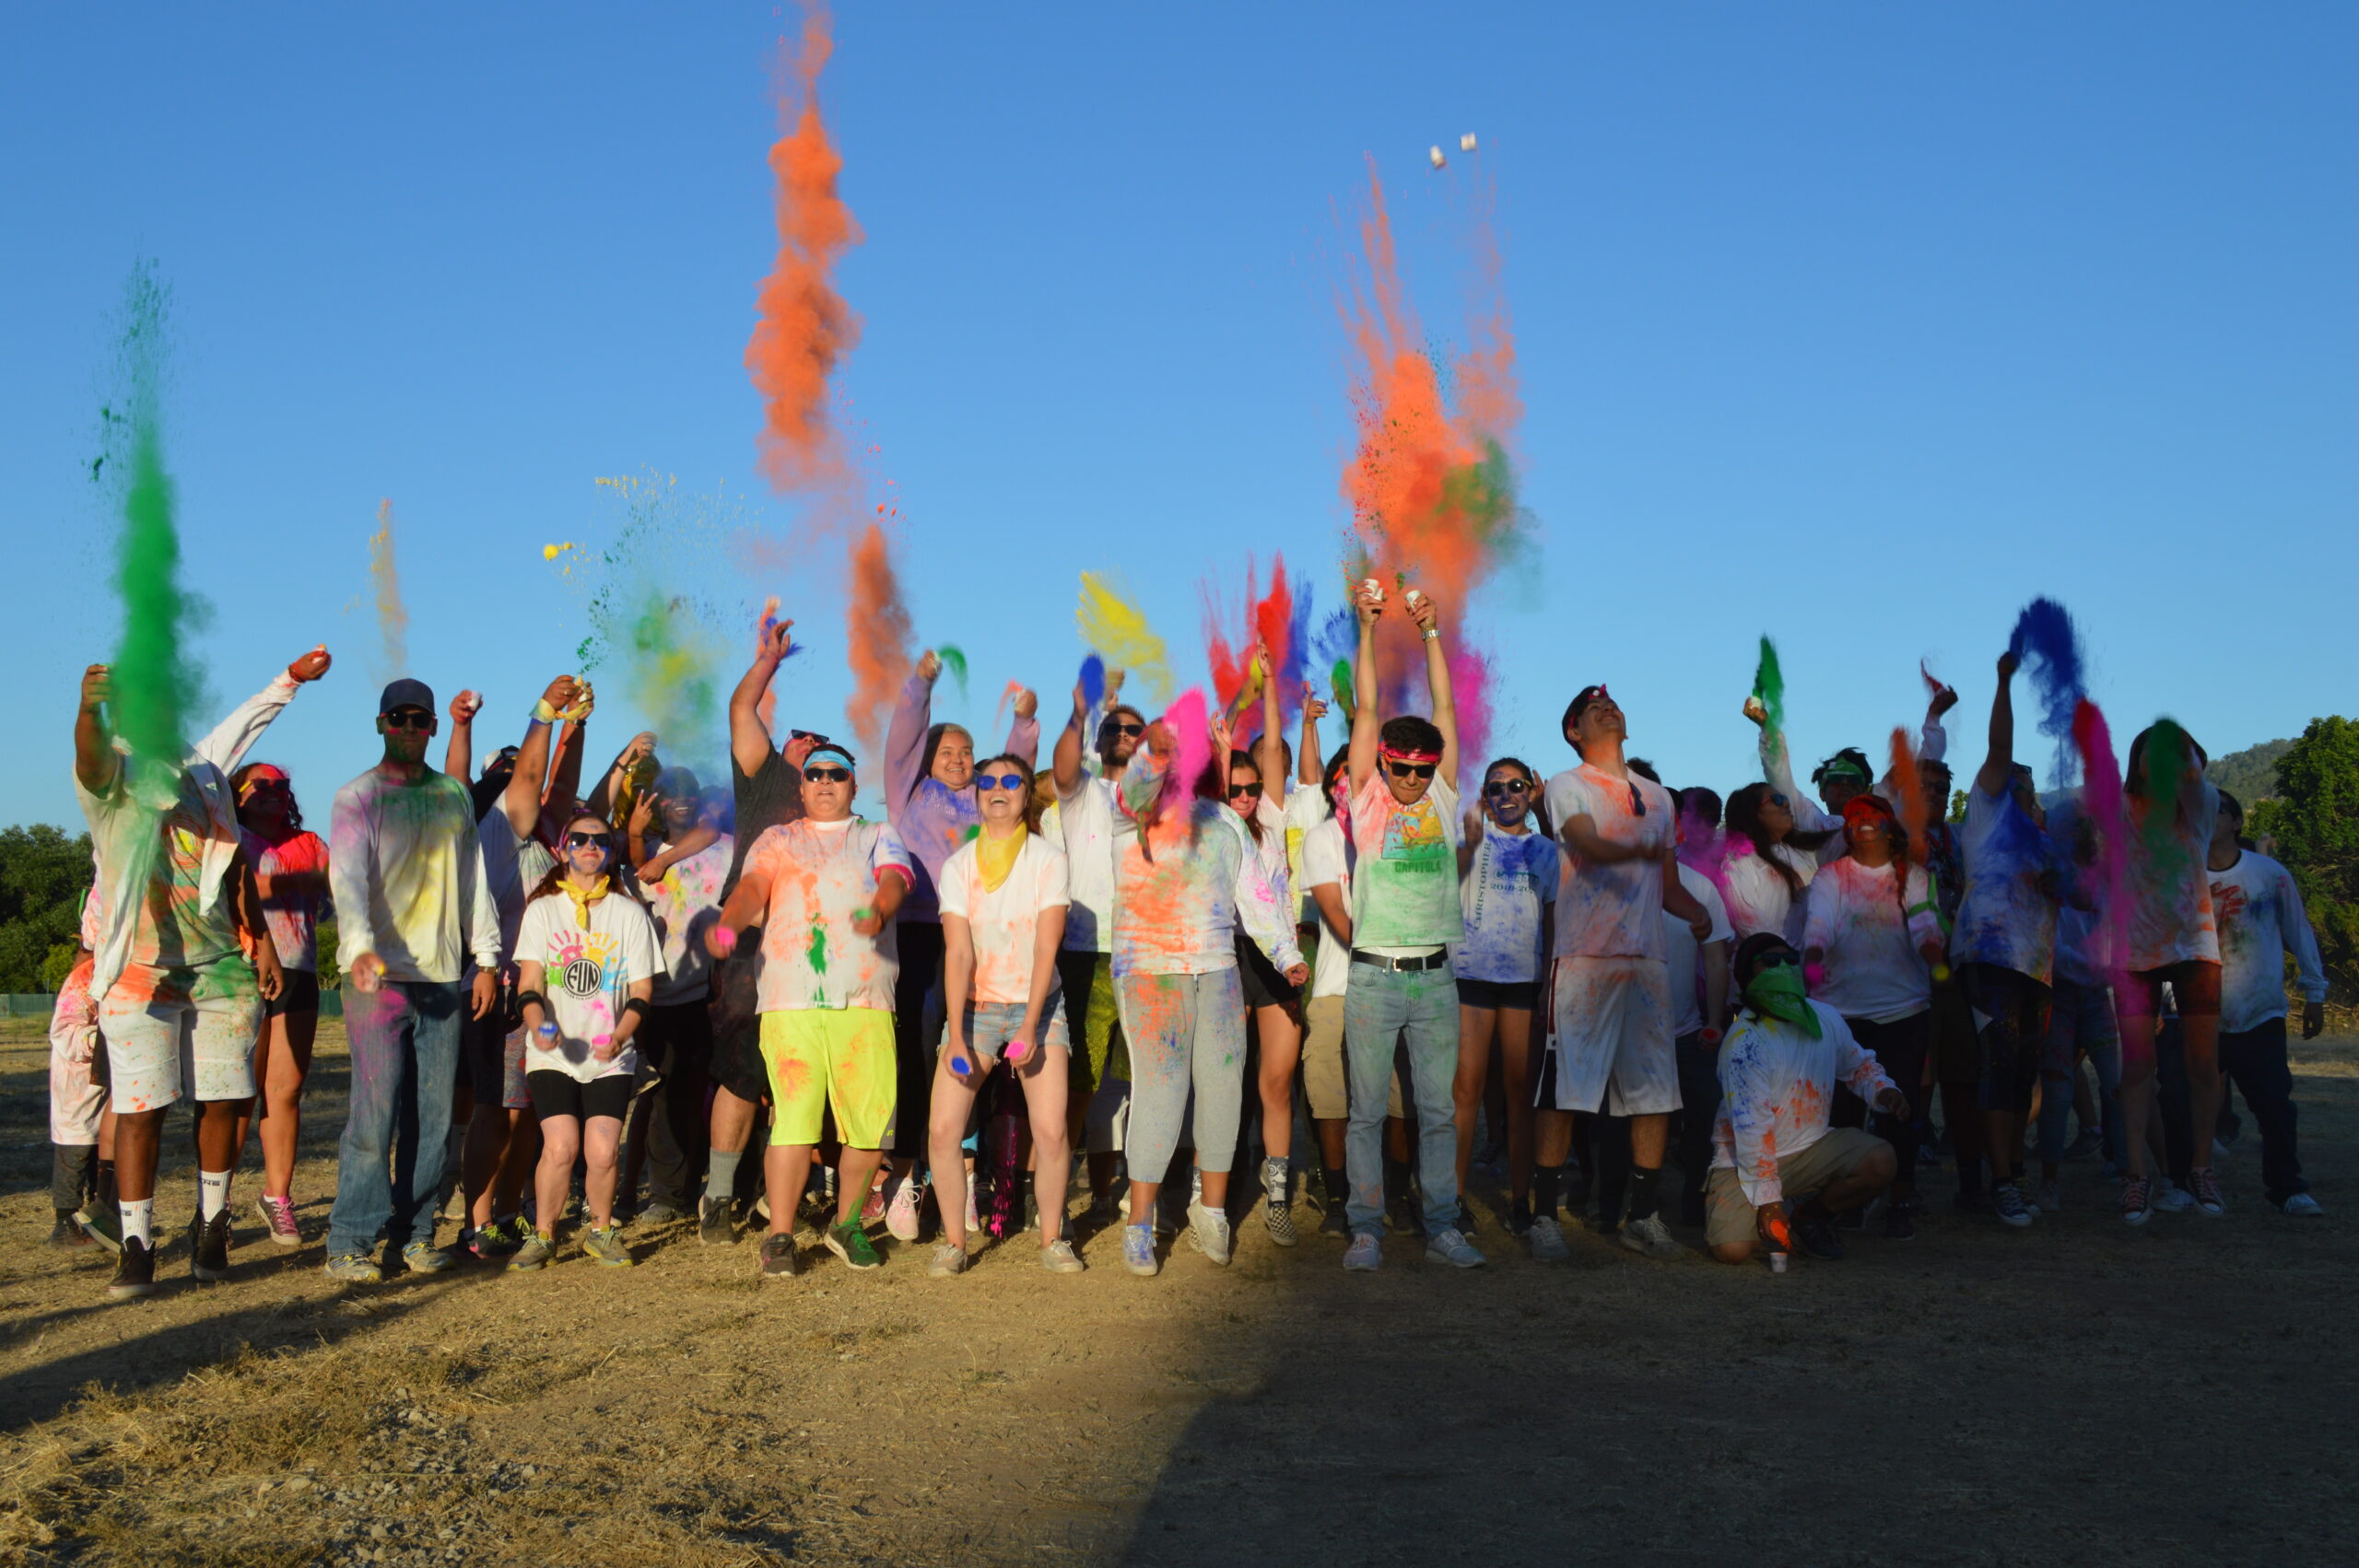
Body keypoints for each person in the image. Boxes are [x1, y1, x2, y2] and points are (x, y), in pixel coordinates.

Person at [73, 650, 323, 1300]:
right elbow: (91, 762)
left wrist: (289, 681)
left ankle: (212, 1226)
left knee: (226, 1098)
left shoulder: (205, 770)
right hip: (139, 970)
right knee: (141, 1110)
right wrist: (87, 712)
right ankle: (137, 1246)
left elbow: (235, 853)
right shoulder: (118, 774)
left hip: (218, 969)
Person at [1110, 706, 1307, 1278]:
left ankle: (1212, 1211)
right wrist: (1164, 736)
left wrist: (1288, 956)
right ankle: (1140, 1223)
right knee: (1162, 1091)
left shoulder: (1224, 824)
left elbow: (1258, 897)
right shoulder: (1135, 811)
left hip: (1218, 970)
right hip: (1151, 973)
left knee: (1223, 1089)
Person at [706, 741, 913, 1277]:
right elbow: (754, 885)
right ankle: (779, 1235)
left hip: (866, 1002)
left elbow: (897, 877)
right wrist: (731, 921)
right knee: (793, 1123)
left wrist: (881, 907)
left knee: (868, 1129)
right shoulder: (778, 838)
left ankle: (846, 1226)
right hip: (789, 1000)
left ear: (852, 785)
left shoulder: (877, 834)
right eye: (814, 773)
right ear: (800, 787)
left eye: (837, 774)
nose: (825, 781)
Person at [323, 677, 503, 1282]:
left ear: (430, 727)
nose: (409, 728)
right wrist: (357, 949)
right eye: (398, 718)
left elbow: (473, 878)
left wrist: (485, 957)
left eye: (420, 720)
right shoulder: (358, 797)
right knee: (373, 1115)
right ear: (380, 724)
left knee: (432, 1118)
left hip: (443, 978)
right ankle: (350, 1240)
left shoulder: (452, 795)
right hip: (379, 982)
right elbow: (347, 880)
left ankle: (417, 1234)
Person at [1334, 582, 1487, 1271]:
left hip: (1435, 978)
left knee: (1438, 1111)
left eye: (1424, 772)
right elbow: (1367, 707)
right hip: (1372, 975)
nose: (1412, 782)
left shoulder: (1443, 793)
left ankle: (1443, 1227)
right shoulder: (1367, 795)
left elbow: (1446, 708)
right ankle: (1366, 1228)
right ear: (1381, 765)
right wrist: (1367, 629)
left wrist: (1431, 631)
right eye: (1400, 769)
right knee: (1366, 1111)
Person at [1535, 684, 1714, 1262]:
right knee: (1566, 1093)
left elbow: (1667, 886)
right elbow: (1584, 841)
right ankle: (1542, 1218)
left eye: (1612, 705)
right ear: (1574, 733)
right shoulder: (1569, 784)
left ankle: (1643, 1216)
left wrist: (1696, 912)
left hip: (1647, 963)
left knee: (1655, 1096)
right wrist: (1625, 850)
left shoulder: (1659, 796)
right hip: (1585, 959)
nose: (1607, 710)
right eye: (1592, 709)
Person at [881, 650, 1039, 1238]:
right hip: (921, 939)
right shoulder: (910, 794)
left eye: (966, 753)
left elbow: (1014, 774)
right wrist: (921, 683)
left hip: (977, 942)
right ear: (927, 758)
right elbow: (902, 738)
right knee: (917, 1058)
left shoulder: (982, 797)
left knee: (966, 1055)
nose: (958, 760)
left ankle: (964, 1177)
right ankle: (906, 1179)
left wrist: (1024, 723)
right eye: (947, 751)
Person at [927, 755, 1085, 1274]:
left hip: (1038, 1009)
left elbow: (1046, 947)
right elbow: (958, 954)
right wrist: (955, 1035)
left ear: (1024, 795)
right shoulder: (958, 866)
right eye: (987, 782)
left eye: (1010, 781)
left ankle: (1052, 1240)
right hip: (974, 1011)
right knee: (944, 1130)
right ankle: (954, 1244)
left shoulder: (1047, 859)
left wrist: (1029, 1024)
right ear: (977, 795)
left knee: (1052, 1130)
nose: (997, 789)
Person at [456, 677, 579, 1260]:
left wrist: (576, 726)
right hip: (502, 990)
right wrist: (544, 714)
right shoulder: (493, 832)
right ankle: (477, 1223)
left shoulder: (546, 833)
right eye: (507, 772)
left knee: (530, 1113)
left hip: (550, 995)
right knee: (497, 1112)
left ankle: (508, 1213)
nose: (520, 776)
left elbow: (559, 787)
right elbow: (533, 779)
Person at [507, 812, 663, 1270]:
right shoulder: (542, 911)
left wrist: (618, 1037)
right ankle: (544, 1235)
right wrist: (539, 1025)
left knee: (601, 1149)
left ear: (610, 852)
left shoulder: (629, 913)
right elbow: (529, 985)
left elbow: (642, 992)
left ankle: (600, 1230)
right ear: (562, 849)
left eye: (600, 840)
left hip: (610, 1054)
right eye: (579, 839)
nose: (590, 846)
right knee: (560, 1147)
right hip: (553, 1053)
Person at [701, 617, 814, 1246]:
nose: (806, 752)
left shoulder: (834, 811)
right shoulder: (763, 777)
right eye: (797, 740)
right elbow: (742, 706)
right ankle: (718, 1197)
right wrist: (769, 661)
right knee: (742, 1072)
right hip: (749, 945)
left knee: (796, 1074)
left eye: (822, 753)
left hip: (808, 951)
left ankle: (781, 1200)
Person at [1947, 652, 2065, 1229]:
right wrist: (2001, 681)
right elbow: (1999, 748)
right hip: (1988, 958)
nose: (2021, 784)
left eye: (2028, 781)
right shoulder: (1988, 817)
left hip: (2035, 970)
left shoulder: (2047, 844)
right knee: (1996, 1067)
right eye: (2013, 778)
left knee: (2023, 1072)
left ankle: (2013, 1171)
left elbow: (2090, 899)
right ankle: (2000, 1181)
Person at [1706, 933, 1906, 1265]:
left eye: (1790, 959)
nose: (1784, 967)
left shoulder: (1824, 1016)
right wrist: (1768, 1202)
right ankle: (1769, 1207)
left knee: (1881, 1161)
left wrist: (1883, 1089)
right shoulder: (1745, 1042)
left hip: (1811, 1147)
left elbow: (1857, 1065)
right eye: (1771, 962)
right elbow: (1752, 1130)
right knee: (1733, 1251)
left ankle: (1809, 1216)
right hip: (1743, 1158)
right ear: (1747, 976)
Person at [1801, 793, 1942, 1239]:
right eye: (1855, 815)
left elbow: (1924, 925)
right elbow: (1819, 924)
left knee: (1901, 1110)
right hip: (1840, 1013)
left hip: (1904, 1010)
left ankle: (1900, 1196)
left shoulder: (1914, 878)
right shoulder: (1830, 877)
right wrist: (1814, 958)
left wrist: (1934, 956)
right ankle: (1848, 1200)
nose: (1862, 821)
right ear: (1847, 830)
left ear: (1889, 826)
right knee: (1842, 1113)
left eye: (1872, 815)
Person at [2114, 720, 2224, 1223]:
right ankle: (2137, 1177)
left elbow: (2194, 774)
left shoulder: (2198, 808)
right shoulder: (2121, 811)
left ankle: (2201, 1168)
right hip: (2135, 955)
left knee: (2203, 1066)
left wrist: (2171, 735)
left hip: (2194, 948)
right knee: (2138, 1069)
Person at [1049, 670, 1143, 1229]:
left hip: (1145, 953)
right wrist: (1081, 708)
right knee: (1078, 1082)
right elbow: (1062, 767)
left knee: (1144, 1082)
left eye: (1135, 727)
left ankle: (1133, 1192)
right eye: (1115, 726)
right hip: (1085, 952)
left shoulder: (1159, 797)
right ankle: (1051, 1196)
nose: (1125, 733)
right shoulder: (1082, 790)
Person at [2205, 790, 2325, 1215]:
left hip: (2259, 1011)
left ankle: (2288, 1188)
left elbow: (2299, 931)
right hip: (2197, 1013)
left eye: (2218, 809)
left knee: (2275, 1104)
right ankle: (2183, 1182)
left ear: (2237, 822)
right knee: (2181, 1104)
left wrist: (2314, 991)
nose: (2208, 816)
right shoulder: (2181, 878)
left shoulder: (2269, 873)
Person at [1453, 756, 1558, 1236]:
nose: (1507, 795)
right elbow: (1445, 882)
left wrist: (1549, 986)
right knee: (1466, 1092)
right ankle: (1452, 1199)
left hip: (1524, 982)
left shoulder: (1546, 851)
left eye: (1516, 786)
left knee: (1521, 1096)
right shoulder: (1469, 839)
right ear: (1485, 797)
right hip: (1471, 977)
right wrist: (1470, 841)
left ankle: (1521, 1200)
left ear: (1530, 792)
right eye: (1496, 788)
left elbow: (1555, 921)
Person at [229, 761, 333, 1246]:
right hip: (241, 971)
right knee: (239, 1094)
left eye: (281, 786)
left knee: (285, 1090)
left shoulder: (310, 843)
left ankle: (277, 1197)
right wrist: (299, 886)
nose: (273, 792)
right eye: (261, 785)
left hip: (300, 971)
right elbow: (253, 895)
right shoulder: (228, 839)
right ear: (239, 794)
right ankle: (217, 1206)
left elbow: (343, 887)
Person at [625, 766, 732, 1223]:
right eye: (670, 795)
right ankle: (668, 1196)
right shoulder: (644, 854)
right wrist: (634, 837)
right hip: (663, 993)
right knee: (666, 1097)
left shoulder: (725, 848)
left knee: (720, 1093)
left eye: (689, 792)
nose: (681, 801)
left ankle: (720, 1188)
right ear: (657, 806)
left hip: (717, 994)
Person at [1232, 649, 1309, 1245]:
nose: (1246, 796)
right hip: (1224, 959)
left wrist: (1268, 686)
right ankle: (1220, 1183)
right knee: (1226, 1077)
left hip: (1278, 957)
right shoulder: (1212, 825)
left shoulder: (1274, 815)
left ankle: (1277, 1192)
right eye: (1234, 788)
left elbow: (1275, 745)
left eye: (1254, 787)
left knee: (1277, 1081)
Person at [1667, 788, 1734, 1230]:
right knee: (1621, 1120)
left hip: (1686, 1030)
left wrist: (1713, 1021)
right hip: (1630, 1031)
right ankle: (1619, 1204)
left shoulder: (1699, 886)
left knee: (1705, 1113)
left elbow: (1715, 957)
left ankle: (1694, 1199)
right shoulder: (1616, 881)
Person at [46, 926, 104, 1248]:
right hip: (78, 1081)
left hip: (102, 1080)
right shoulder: (83, 980)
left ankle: (100, 1215)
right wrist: (99, 1039)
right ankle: (65, 1221)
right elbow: (66, 1032)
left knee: (101, 1149)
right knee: (76, 1147)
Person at [1720, 784, 1823, 944]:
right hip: (1772, 963)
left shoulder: (1806, 852)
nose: (1786, 804)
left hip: (1813, 960)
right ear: (1753, 813)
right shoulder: (1739, 861)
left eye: (1785, 798)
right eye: (1776, 799)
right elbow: (1750, 925)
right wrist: (1790, 952)